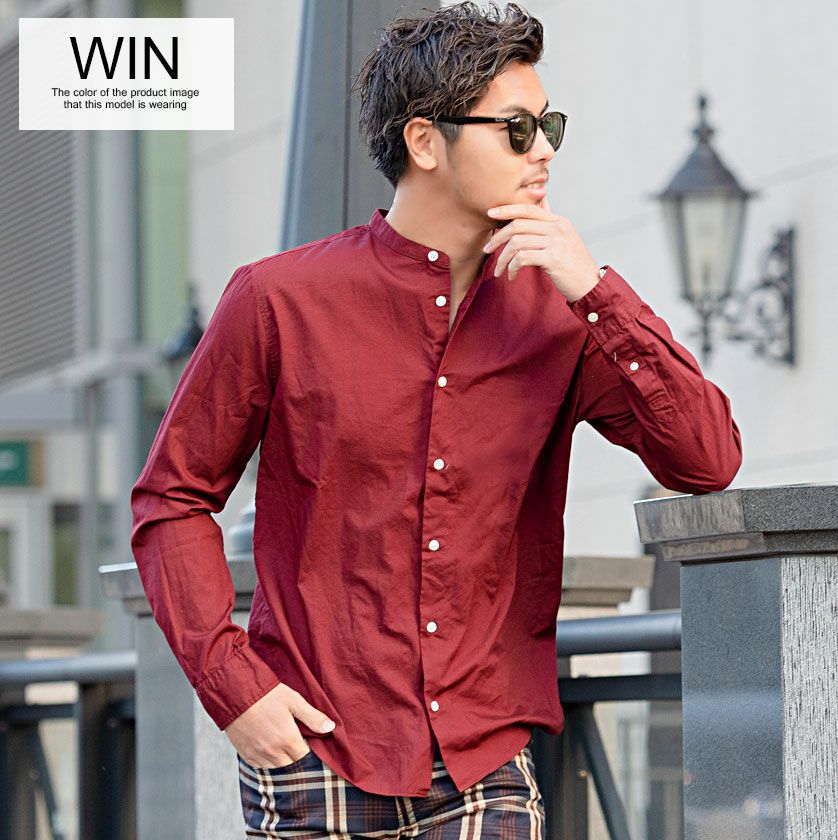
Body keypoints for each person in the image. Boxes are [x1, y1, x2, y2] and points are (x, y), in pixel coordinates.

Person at [130, 2, 743, 837]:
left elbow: (706, 458)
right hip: (318, 747)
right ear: (425, 141)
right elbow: (172, 498)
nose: (544, 150)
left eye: (550, 126)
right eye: (517, 129)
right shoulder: (278, 300)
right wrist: (231, 684)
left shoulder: (562, 314)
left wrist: (598, 292)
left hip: (485, 755)